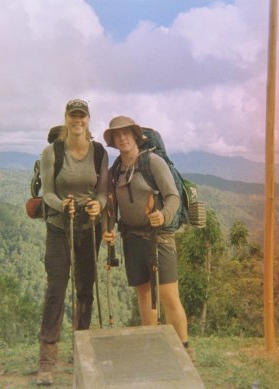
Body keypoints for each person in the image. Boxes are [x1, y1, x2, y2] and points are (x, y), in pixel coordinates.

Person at [102, 115, 194, 360]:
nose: (122, 138)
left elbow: (172, 196)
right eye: (117, 135)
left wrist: (163, 215)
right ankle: (151, 344)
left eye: (126, 133)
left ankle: (184, 348)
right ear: (114, 141)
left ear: (135, 136)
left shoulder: (152, 162)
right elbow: (111, 206)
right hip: (131, 237)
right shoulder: (115, 170)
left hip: (158, 237)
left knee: (167, 294)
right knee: (143, 292)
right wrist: (108, 228)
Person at [36, 99, 108, 385]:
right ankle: (46, 361)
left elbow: (102, 192)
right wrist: (62, 205)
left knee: (85, 288)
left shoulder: (99, 152)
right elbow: (47, 192)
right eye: (73, 115)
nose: (77, 120)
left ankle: (82, 348)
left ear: (88, 119)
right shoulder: (52, 152)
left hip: (89, 228)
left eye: (82, 116)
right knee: (56, 288)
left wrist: (97, 207)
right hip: (58, 226)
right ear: (66, 118)